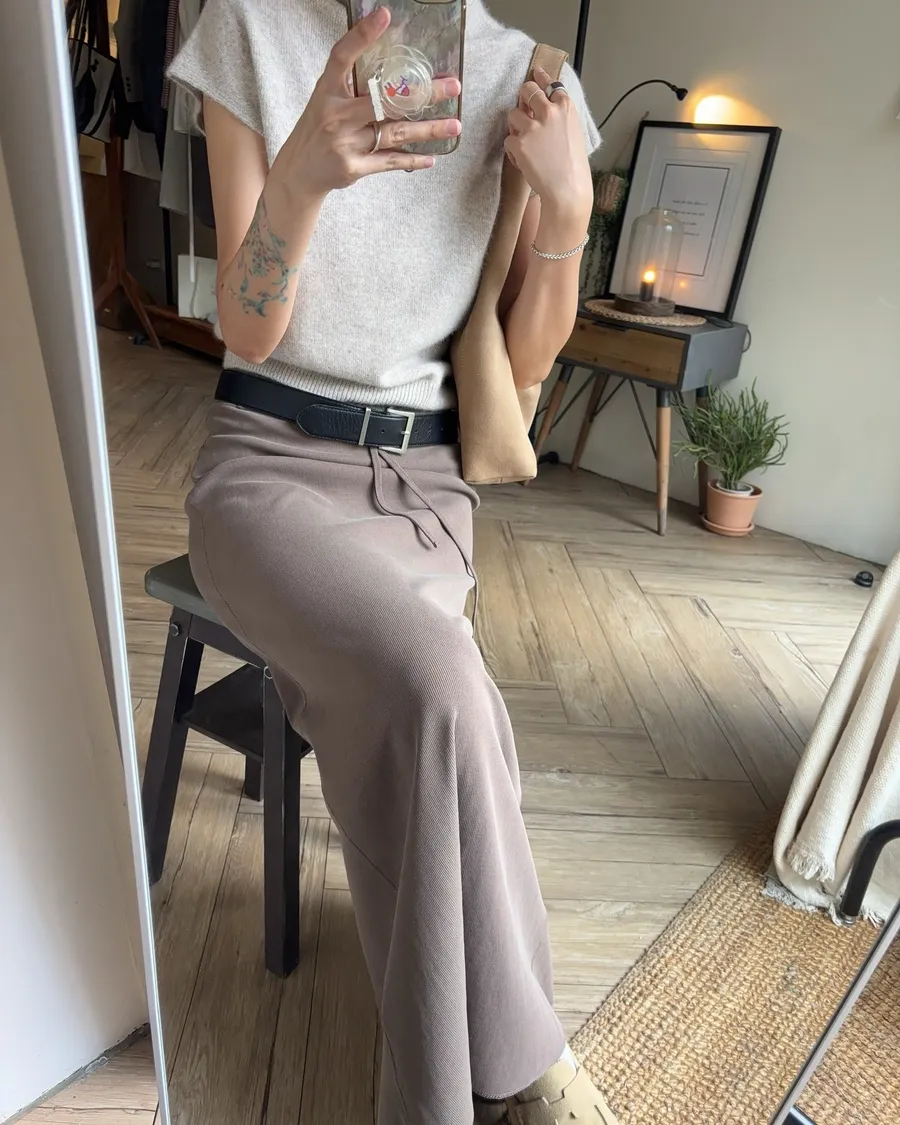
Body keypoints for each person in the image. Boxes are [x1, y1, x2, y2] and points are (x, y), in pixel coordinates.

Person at [168, 1, 617, 1122]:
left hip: (423, 486)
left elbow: (521, 363)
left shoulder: (532, 77)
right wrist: (302, 176)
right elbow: (248, 329)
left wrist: (567, 207)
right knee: (440, 689)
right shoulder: (251, 27)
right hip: (266, 469)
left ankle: (465, 1086)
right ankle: (526, 1073)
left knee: (435, 716)